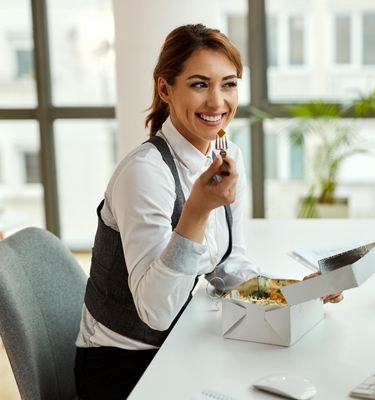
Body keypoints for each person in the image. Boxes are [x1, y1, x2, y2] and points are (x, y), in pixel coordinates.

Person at [73, 24, 343, 400]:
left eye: (229, 84)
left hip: (182, 342)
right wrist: (197, 211)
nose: (217, 102)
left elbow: (229, 268)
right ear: (165, 88)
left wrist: (291, 292)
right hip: (126, 367)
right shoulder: (145, 173)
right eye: (200, 84)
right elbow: (156, 313)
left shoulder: (229, 156)